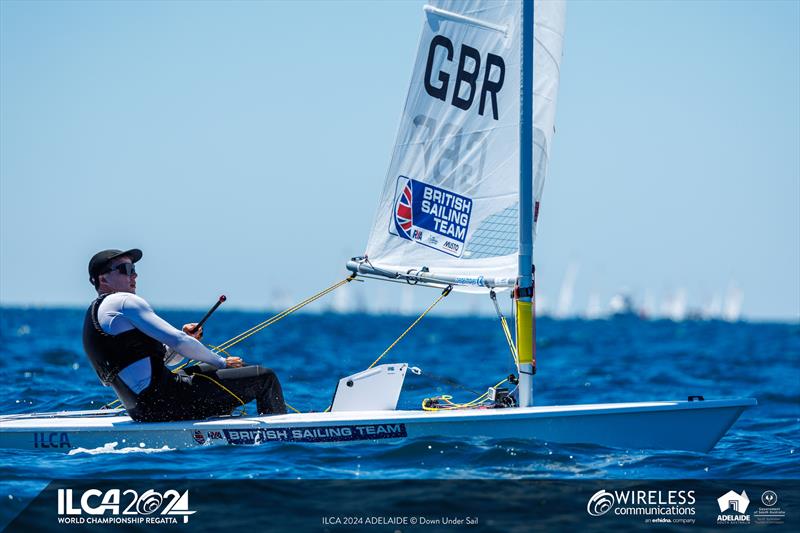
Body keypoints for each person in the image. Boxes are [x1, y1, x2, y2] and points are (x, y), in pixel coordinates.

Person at [82, 248, 287, 422]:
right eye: (125, 270)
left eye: (134, 269)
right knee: (264, 377)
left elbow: (167, 359)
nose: (134, 275)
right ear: (103, 279)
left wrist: (188, 339)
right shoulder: (123, 302)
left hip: (142, 410)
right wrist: (221, 361)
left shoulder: (97, 314)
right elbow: (179, 341)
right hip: (167, 403)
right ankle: (279, 435)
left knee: (217, 370)